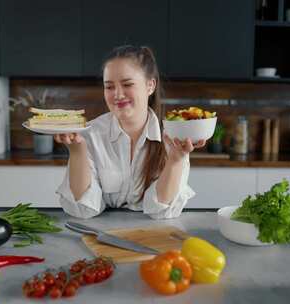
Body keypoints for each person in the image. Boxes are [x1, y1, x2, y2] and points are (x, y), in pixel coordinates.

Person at [55, 45, 206, 219]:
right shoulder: (89, 134)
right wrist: (77, 151)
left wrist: (176, 159)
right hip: (99, 235)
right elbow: (84, 210)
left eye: (127, 84)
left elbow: (161, 211)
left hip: (153, 236)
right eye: (109, 87)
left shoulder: (173, 138)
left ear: (150, 85)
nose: (117, 94)